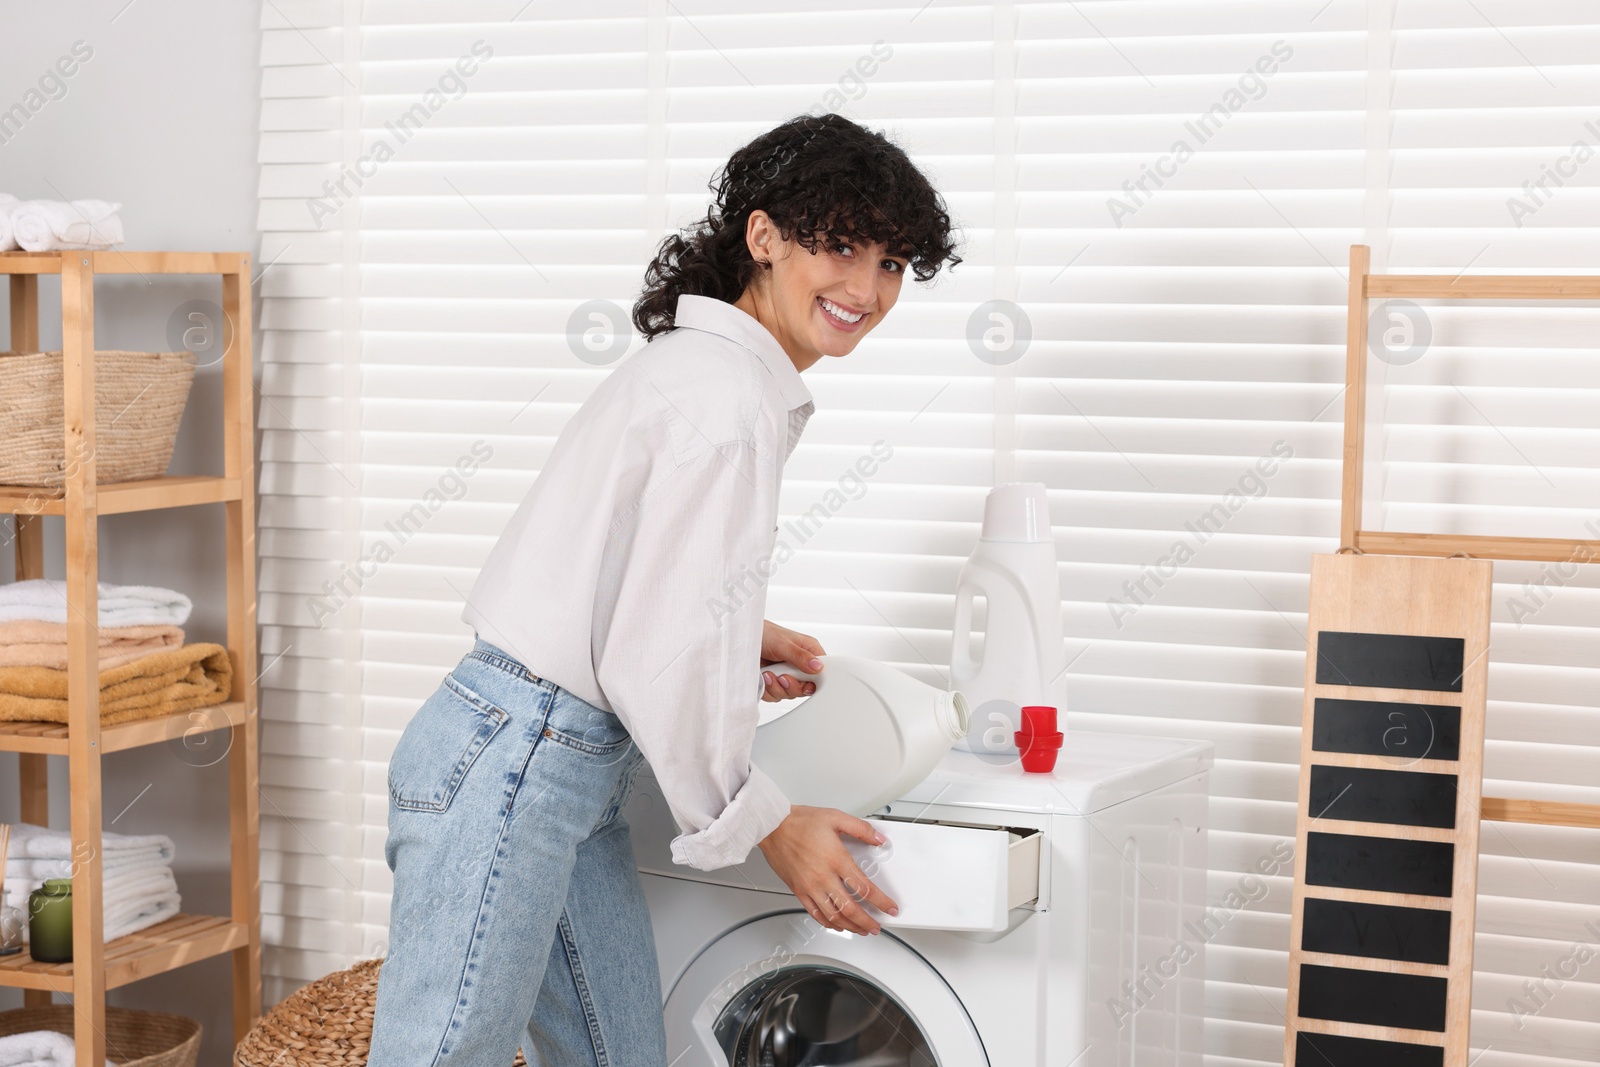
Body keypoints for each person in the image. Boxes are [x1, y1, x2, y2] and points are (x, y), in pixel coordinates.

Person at [368, 111, 962, 1066]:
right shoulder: (724, 397)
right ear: (763, 238)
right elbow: (661, 645)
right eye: (840, 245)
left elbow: (633, 588)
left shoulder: (711, 374)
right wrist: (771, 823)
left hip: (556, 758)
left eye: (891, 262)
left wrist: (734, 639)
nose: (866, 286)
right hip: (520, 759)